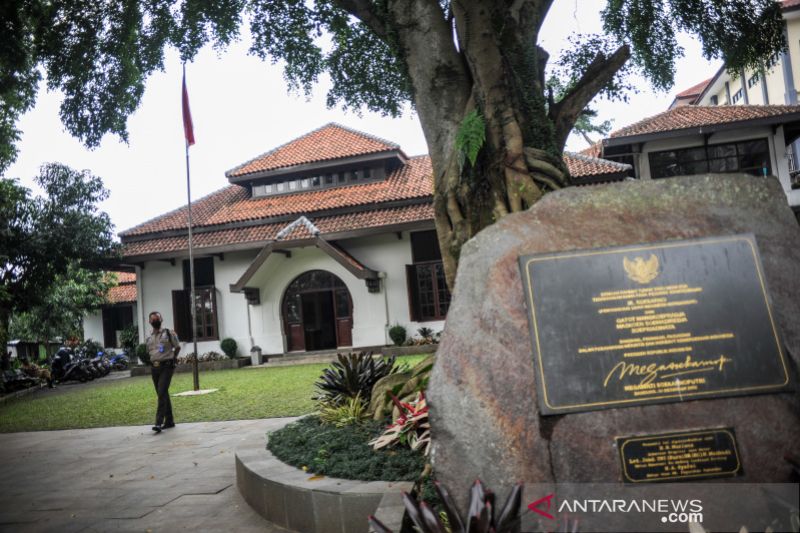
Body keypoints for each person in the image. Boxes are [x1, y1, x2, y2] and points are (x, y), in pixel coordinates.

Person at [145, 311, 181, 433]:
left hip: (166, 366)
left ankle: (158, 423)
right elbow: (148, 352)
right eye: (153, 319)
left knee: (161, 392)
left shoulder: (168, 333)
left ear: (161, 320)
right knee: (163, 393)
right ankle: (169, 421)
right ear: (149, 322)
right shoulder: (149, 337)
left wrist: (173, 358)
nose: (155, 321)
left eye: (157, 319)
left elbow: (177, 347)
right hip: (154, 368)